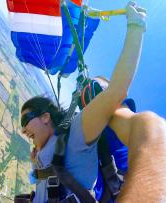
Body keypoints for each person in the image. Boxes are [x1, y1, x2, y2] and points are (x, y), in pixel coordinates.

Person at [20, 2, 166, 202]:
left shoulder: (74, 135)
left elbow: (116, 91)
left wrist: (136, 27)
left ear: (46, 117)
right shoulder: (43, 151)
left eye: (25, 120)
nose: (22, 129)